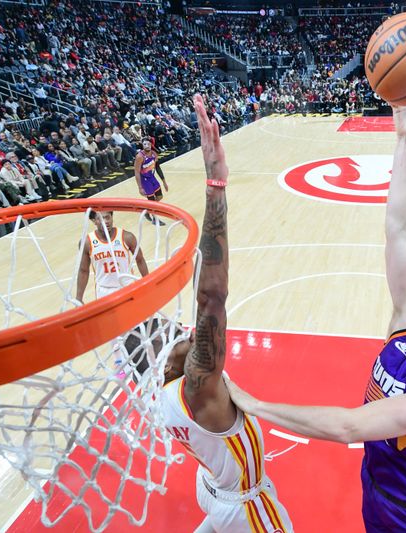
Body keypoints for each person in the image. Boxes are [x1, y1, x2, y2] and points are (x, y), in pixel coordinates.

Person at [225, 103, 406, 532]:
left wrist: (253, 403)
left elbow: (348, 427)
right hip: (375, 485)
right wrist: (405, 141)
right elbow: (399, 231)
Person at [148, 94, 292, 533]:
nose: (179, 330)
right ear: (173, 366)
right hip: (244, 504)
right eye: (170, 337)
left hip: (209, 484)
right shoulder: (198, 386)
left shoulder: (167, 398)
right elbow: (211, 298)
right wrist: (215, 185)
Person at [75, 210, 149, 302]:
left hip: (127, 286)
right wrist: (79, 297)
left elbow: (140, 260)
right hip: (104, 290)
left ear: (112, 217)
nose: (106, 221)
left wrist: (148, 282)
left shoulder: (127, 237)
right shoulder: (87, 242)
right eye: (101, 219)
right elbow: (83, 270)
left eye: (107, 217)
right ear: (94, 221)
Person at [134, 137, 168, 225]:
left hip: (152, 177)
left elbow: (157, 167)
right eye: (145, 144)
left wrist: (164, 182)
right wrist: (140, 187)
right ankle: (155, 219)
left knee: (160, 196)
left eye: (148, 144)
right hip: (144, 180)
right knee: (152, 201)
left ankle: (146, 210)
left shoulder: (154, 154)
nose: (147, 145)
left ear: (151, 145)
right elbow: (137, 172)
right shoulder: (140, 157)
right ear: (142, 145)